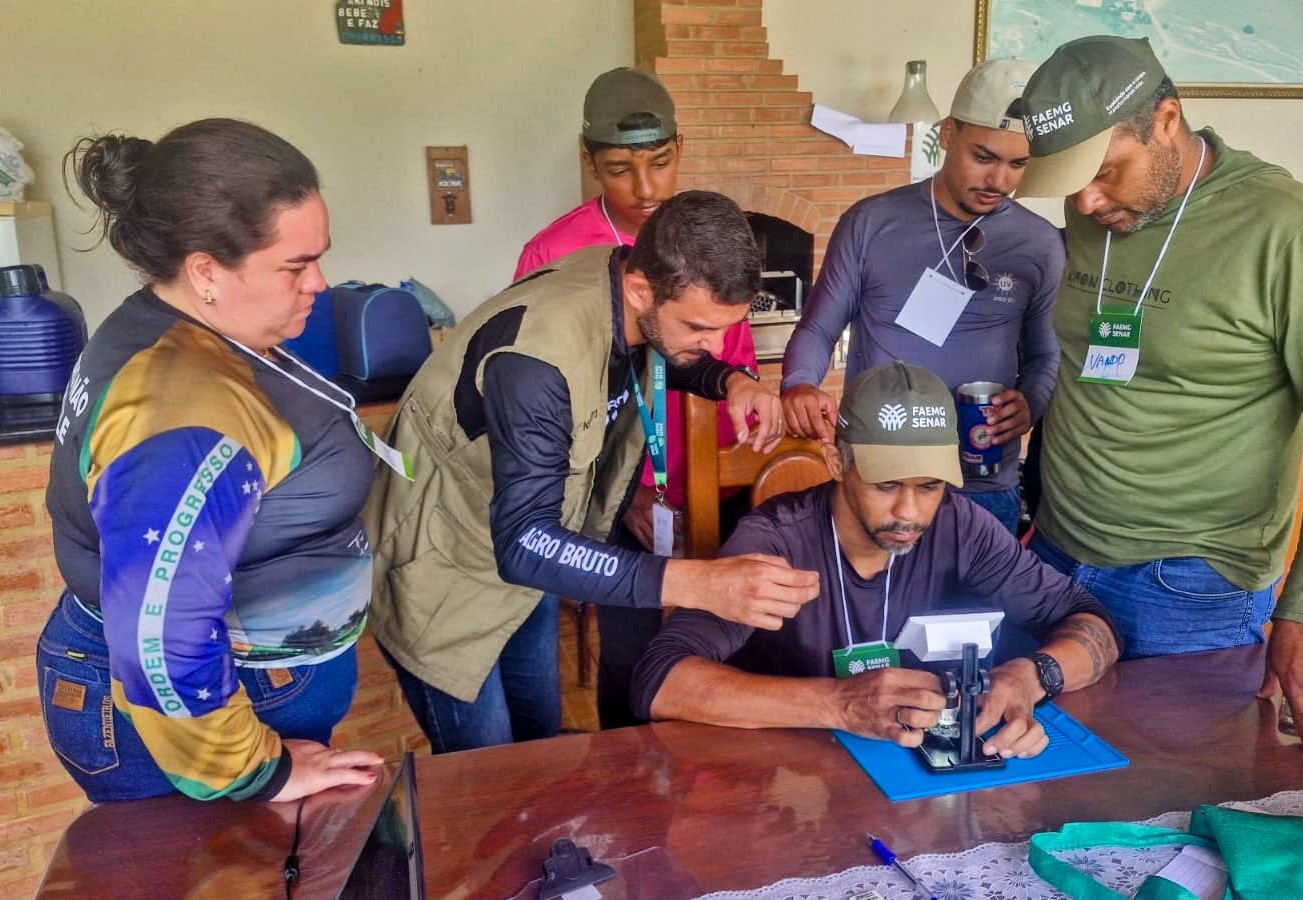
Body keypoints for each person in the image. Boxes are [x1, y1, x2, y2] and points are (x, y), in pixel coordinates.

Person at [1014, 35, 1303, 755]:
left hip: (1186, 585)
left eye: (1104, 172)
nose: (1086, 200)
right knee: (1040, 780)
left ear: (1166, 121)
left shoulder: (1292, 230)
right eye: (1071, 182)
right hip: (1055, 554)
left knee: (1165, 789)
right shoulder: (1097, 209)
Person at [367, 190, 819, 754]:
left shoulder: (627, 281)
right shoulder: (537, 364)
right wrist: (698, 582)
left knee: (538, 740)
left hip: (525, 560)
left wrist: (730, 381)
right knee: (486, 768)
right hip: (446, 569)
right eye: (702, 328)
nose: (716, 344)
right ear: (640, 290)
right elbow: (524, 542)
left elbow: (671, 345)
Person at [37, 118, 384, 802]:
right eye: (294, 266)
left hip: (251, 682)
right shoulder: (182, 404)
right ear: (205, 272)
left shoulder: (185, 327)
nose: (319, 282)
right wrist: (257, 771)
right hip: (207, 720)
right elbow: (160, 635)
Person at [631, 362, 1121, 754]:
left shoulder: (960, 525)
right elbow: (660, 681)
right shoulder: (776, 540)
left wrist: (1031, 676)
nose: (909, 512)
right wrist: (838, 704)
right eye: (886, 485)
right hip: (791, 780)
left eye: (928, 486)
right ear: (836, 463)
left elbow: (1091, 621)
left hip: (920, 779)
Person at [514, 67, 762, 728]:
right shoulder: (554, 253)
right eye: (620, 170)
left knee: (713, 655)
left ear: (680, 148)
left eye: (659, 163)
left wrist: (742, 385)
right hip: (612, 500)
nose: (645, 188)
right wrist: (625, 496)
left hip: (705, 489)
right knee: (628, 660)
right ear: (588, 160)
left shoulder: (708, 245)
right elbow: (550, 405)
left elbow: (723, 362)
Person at [779, 58, 1063, 534]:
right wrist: (800, 383)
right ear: (948, 134)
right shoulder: (871, 223)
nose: (999, 182)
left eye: (1018, 164)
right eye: (984, 157)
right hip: (880, 477)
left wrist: (1030, 402)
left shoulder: (1039, 243)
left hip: (983, 481)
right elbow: (818, 328)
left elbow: (1046, 354)